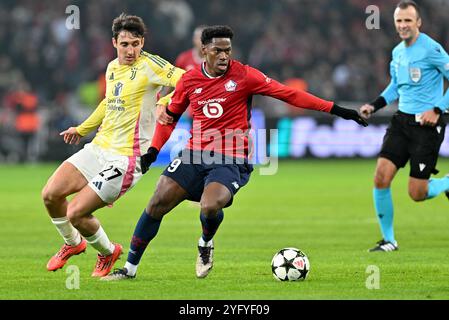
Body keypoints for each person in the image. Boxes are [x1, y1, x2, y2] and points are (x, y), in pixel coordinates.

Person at [102, 25, 368, 281]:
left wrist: (337, 109)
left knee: (209, 205)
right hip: (195, 153)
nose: (224, 56)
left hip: (231, 157)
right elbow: (170, 117)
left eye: (228, 50)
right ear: (204, 50)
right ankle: (129, 268)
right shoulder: (190, 80)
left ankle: (205, 243)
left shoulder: (244, 75)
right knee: (157, 201)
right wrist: (153, 151)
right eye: (218, 50)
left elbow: (289, 95)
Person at [41, 13, 184, 277]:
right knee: (50, 194)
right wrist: (82, 129)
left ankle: (108, 252)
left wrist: (165, 103)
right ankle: (73, 244)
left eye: (136, 44)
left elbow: (187, 82)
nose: (131, 50)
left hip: (127, 158)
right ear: (114, 43)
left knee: (76, 213)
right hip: (99, 147)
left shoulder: (151, 65)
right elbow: (108, 103)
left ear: (142, 42)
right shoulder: (111, 67)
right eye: (125, 44)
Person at [359, 1, 449, 252]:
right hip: (401, 121)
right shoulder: (398, 52)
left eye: (408, 20)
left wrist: (438, 109)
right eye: (399, 21)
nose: (403, 25)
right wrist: (374, 105)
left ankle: (447, 183)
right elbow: (396, 86)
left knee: (417, 193)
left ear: (418, 22)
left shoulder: (432, 49)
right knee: (380, 177)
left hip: (427, 126)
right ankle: (389, 240)